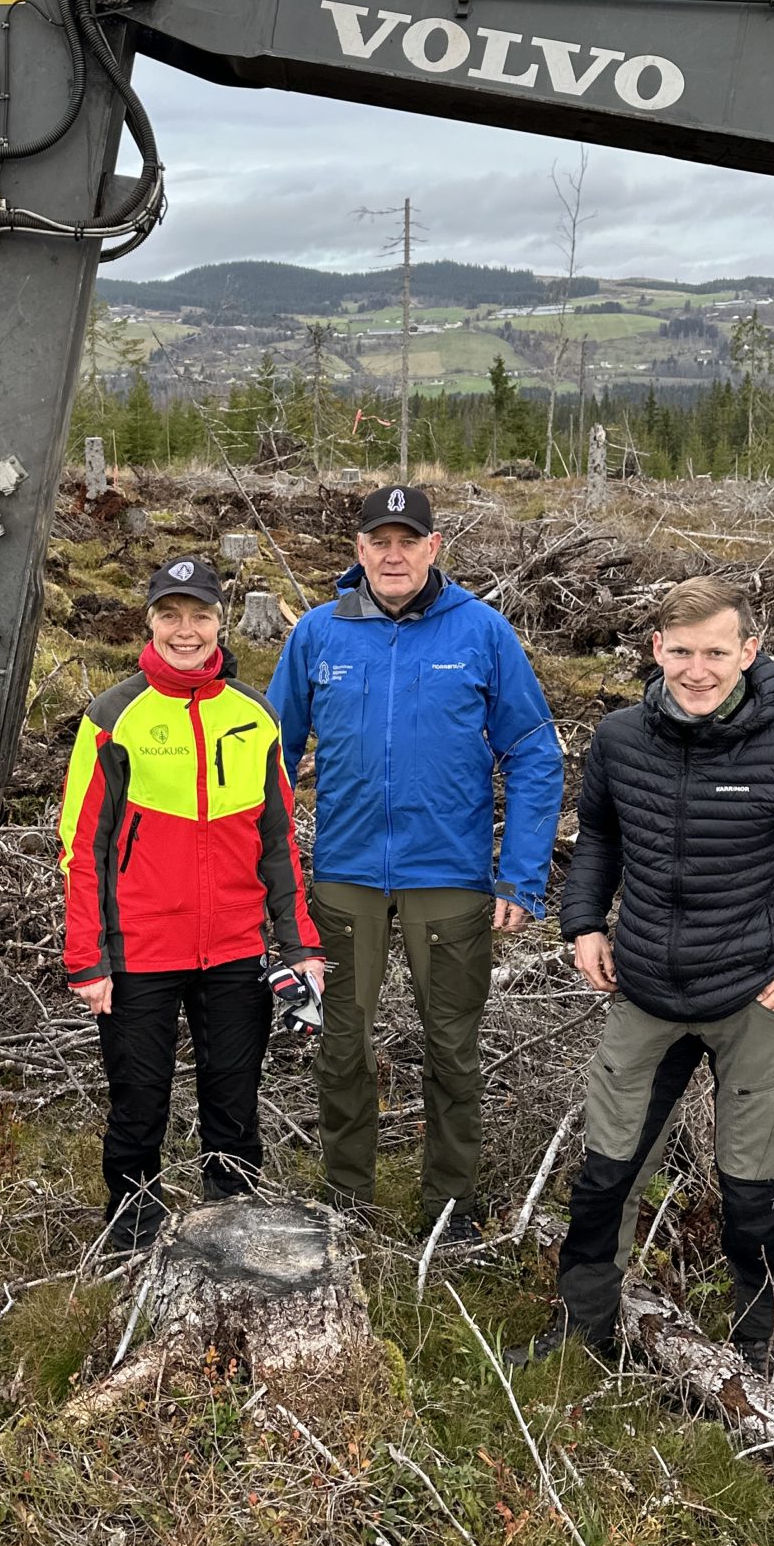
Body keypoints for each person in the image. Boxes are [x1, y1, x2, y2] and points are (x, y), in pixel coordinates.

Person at [530, 578, 774, 1386]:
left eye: (714, 652)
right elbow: (597, 833)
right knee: (607, 1168)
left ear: (748, 652)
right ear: (655, 650)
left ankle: (761, 1345)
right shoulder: (621, 738)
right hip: (644, 991)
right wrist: (585, 923)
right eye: (680, 651)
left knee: (750, 1188)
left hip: (753, 1001)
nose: (696, 670)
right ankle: (585, 1322)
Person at [269, 483, 563, 1236]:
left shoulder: (482, 633)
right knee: (339, 1045)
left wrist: (520, 874)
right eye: (378, 541)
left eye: (408, 540)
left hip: (451, 877)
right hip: (344, 876)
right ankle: (346, 1200)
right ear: (358, 550)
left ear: (434, 549)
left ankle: (451, 1210)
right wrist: (270, 881)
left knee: (453, 1050)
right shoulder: (319, 636)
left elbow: (532, 752)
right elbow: (270, 755)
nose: (393, 554)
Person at [59, 556, 325, 1252]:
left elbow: (279, 845)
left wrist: (299, 948)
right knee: (138, 1104)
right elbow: (80, 848)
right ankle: (134, 1234)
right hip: (139, 951)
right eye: (170, 615)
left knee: (233, 1101)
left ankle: (233, 1227)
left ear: (219, 621)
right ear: (149, 621)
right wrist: (88, 959)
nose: (186, 630)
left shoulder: (254, 714)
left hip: (236, 950)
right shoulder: (114, 716)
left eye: (200, 615)